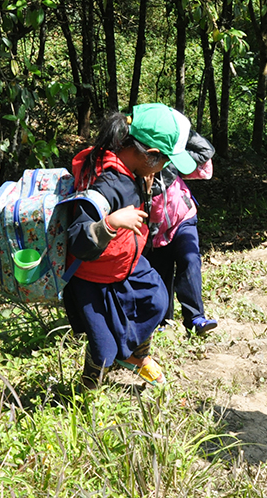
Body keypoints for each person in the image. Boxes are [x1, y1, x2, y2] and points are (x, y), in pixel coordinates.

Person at [63, 103, 198, 389]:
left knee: (157, 301)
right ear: (149, 155)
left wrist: (146, 193)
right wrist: (110, 223)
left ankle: (136, 356)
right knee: (103, 352)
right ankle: (86, 393)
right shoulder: (107, 184)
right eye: (165, 160)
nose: (165, 168)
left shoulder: (130, 171)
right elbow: (77, 238)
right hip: (92, 276)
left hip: (125, 262)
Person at [146, 129, 217, 336]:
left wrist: (180, 130)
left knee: (190, 259)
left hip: (182, 219)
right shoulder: (133, 170)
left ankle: (196, 319)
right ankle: (162, 321)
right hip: (154, 232)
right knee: (159, 274)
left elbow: (205, 151)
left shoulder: (172, 161)